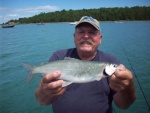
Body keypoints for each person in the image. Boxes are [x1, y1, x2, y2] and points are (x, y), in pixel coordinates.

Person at [35, 16, 136, 113]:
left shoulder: (111, 60)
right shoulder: (58, 56)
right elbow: (42, 101)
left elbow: (123, 105)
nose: (86, 36)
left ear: (100, 39)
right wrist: (45, 91)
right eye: (81, 32)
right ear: (74, 37)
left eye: (92, 32)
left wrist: (127, 88)